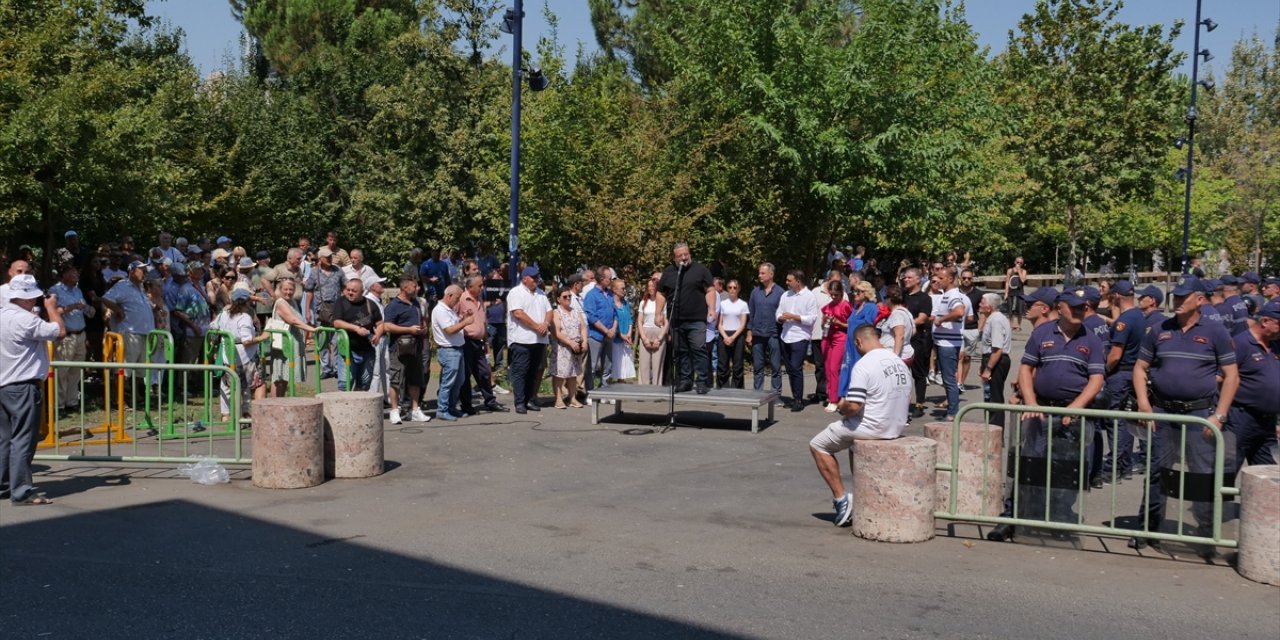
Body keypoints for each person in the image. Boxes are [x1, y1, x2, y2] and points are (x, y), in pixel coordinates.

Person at [1129, 277, 1239, 550]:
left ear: (1199, 300)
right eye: (1174, 297)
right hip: (1163, 414)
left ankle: (1205, 533)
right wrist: (1144, 403)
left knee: (1202, 475)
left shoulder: (1216, 332)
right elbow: (1140, 368)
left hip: (1199, 416)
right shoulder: (1158, 330)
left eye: (1182, 297)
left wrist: (1220, 415)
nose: (1176, 301)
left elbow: (1232, 376)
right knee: (1157, 472)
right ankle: (1148, 528)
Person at [987, 289, 1104, 542]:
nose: (1079, 312)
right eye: (1073, 307)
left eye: (1082, 307)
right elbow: (1027, 368)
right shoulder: (1042, 333)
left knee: (1068, 469)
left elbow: (1096, 379)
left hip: (1073, 415)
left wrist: (1076, 407)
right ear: (1060, 307)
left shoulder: (1092, 340)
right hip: (1040, 411)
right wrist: (1030, 403)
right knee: (1029, 464)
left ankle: (1059, 517)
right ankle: (1013, 515)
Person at [808, 325, 913, 527]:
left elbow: (854, 406)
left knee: (818, 445)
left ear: (858, 342)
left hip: (872, 426)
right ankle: (865, 496)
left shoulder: (864, 365)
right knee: (852, 444)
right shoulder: (897, 361)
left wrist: (841, 405)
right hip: (896, 424)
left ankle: (841, 499)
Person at [0, 275, 65, 505]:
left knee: (5, 438)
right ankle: (22, 491)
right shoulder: (25, 320)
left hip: (4, 384)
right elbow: (59, 331)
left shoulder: (3, 315)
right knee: (23, 440)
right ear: (28, 298)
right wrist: (51, 307)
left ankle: (4, 484)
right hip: (23, 385)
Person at [1089, 280, 1144, 488]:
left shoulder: (1124, 321)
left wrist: (1104, 371)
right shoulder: (1138, 315)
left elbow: (1115, 355)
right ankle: (1125, 465)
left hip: (1120, 374)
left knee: (1116, 422)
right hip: (1132, 373)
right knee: (1125, 419)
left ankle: (1115, 466)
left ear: (1117, 296)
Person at [655, 243, 716, 394]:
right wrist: (658, 313)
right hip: (676, 320)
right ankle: (685, 380)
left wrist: (712, 308)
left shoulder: (700, 270)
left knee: (698, 349)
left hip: (696, 319)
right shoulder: (669, 272)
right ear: (674, 258)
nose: (684, 257)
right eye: (680, 255)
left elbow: (710, 289)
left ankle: (701, 381)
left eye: (686, 254)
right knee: (680, 351)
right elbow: (661, 293)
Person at [1227, 301, 1279, 470]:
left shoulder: (1275, 345)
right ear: (1265, 321)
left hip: (1267, 423)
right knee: (1227, 470)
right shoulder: (1240, 344)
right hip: (1241, 419)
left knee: (1269, 475)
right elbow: (1222, 379)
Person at [100, 260, 156, 403]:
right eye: (142, 270)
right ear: (132, 271)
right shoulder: (123, 285)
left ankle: (135, 397)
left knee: (139, 370)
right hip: (130, 332)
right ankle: (118, 399)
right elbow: (105, 299)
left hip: (143, 333)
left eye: (145, 270)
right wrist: (118, 310)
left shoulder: (140, 288)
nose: (145, 273)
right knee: (124, 369)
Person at [210, 289, 266, 422]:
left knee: (227, 385)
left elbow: (213, 326)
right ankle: (244, 414)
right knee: (246, 386)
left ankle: (226, 415)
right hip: (244, 356)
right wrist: (262, 337)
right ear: (247, 302)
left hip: (227, 355)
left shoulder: (224, 314)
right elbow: (246, 340)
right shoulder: (244, 317)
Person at [383, 274, 432, 424]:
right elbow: (386, 326)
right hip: (399, 348)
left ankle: (415, 409)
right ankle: (394, 410)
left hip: (416, 348)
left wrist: (423, 331)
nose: (417, 288)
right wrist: (408, 329)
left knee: (415, 379)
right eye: (414, 285)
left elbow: (423, 321)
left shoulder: (416, 303)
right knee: (396, 379)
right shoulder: (394, 305)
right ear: (404, 287)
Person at [507, 266, 552, 414]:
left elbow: (549, 311)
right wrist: (536, 327)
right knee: (521, 372)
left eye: (537, 277)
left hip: (539, 340)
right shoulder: (516, 293)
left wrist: (545, 324)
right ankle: (520, 402)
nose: (536, 280)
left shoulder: (540, 293)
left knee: (534, 372)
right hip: (522, 340)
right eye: (533, 278)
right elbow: (518, 314)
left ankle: (530, 399)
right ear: (525, 278)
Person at [457, 275, 505, 414]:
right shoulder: (461, 299)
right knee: (466, 375)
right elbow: (455, 318)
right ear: (470, 287)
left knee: (484, 373)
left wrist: (485, 342)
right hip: (466, 342)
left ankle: (490, 401)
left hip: (479, 342)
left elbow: (483, 322)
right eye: (479, 286)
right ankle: (466, 405)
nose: (482, 288)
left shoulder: (479, 299)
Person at [49, 264, 94, 411]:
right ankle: (59, 404)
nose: (76, 275)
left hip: (80, 334)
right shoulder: (55, 290)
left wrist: (89, 309)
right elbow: (53, 311)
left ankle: (72, 402)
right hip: (65, 337)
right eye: (73, 272)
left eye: (77, 272)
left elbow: (84, 309)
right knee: (62, 371)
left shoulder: (78, 290)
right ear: (64, 275)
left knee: (76, 370)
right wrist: (73, 306)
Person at [931, 266, 971, 420]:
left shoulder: (953, 295)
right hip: (944, 342)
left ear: (950, 279)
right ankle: (951, 410)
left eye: (941, 278)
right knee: (947, 378)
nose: (939, 281)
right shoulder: (946, 295)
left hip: (948, 344)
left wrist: (941, 319)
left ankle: (952, 413)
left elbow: (959, 312)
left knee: (949, 379)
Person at [777, 270, 819, 412]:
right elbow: (778, 312)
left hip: (800, 336)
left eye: (789, 280)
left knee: (796, 367)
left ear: (798, 281)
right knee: (790, 369)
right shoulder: (785, 295)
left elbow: (812, 318)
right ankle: (795, 398)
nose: (787, 283)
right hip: (786, 335)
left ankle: (799, 400)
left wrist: (794, 317)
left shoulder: (809, 296)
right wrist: (781, 317)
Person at [331, 279, 383, 392]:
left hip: (367, 350)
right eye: (348, 290)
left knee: (364, 383)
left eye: (354, 291)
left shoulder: (370, 304)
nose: (350, 293)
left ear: (362, 291)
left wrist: (377, 335)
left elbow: (380, 324)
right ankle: (343, 408)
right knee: (345, 384)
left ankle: (357, 408)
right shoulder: (341, 302)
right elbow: (337, 322)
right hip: (347, 350)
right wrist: (356, 328)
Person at [266, 278, 314, 397]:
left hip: (292, 343)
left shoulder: (292, 302)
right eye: (285, 289)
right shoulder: (281, 302)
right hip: (284, 344)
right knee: (279, 376)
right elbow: (292, 320)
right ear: (280, 290)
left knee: (285, 377)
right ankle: (275, 405)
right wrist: (310, 329)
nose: (288, 292)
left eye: (291, 289)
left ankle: (280, 404)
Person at [305, 247, 348, 381]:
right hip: (320, 309)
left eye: (331, 257)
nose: (330, 260)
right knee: (322, 339)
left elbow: (345, 287)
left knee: (336, 339)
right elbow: (309, 291)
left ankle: (336, 367)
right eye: (327, 257)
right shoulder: (314, 272)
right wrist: (307, 310)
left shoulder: (338, 270)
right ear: (321, 259)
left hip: (337, 308)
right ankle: (325, 368)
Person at [431, 285, 472, 421]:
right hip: (449, 350)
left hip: (457, 349)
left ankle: (451, 407)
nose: (458, 301)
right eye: (457, 298)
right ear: (449, 296)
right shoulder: (440, 310)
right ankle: (442, 409)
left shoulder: (449, 310)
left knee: (459, 381)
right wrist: (465, 322)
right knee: (448, 382)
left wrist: (462, 319)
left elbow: (453, 325)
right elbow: (449, 330)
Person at [747, 262, 784, 395]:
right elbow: (751, 312)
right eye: (759, 273)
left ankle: (775, 395)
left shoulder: (780, 292)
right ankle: (758, 393)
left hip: (774, 333)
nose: (759, 275)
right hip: (757, 333)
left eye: (762, 273)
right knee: (758, 367)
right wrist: (749, 331)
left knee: (775, 367)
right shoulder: (755, 292)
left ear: (771, 274)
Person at [902, 268, 933, 418]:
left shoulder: (924, 298)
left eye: (909, 277)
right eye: (905, 277)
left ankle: (919, 403)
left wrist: (903, 324)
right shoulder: (902, 297)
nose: (905, 279)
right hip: (901, 340)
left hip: (917, 340)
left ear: (917, 280)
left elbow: (921, 319)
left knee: (918, 373)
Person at [550, 285, 587, 409]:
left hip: (576, 348)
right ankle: (558, 399)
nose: (568, 299)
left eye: (569, 296)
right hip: (562, 347)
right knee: (560, 374)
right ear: (558, 299)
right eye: (565, 297)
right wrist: (570, 342)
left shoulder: (575, 311)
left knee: (573, 373)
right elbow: (557, 332)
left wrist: (584, 341)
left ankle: (572, 398)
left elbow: (582, 327)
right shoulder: (556, 312)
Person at [977, 292, 1011, 427]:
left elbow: (997, 349)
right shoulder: (992, 318)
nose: (980, 305)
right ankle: (990, 429)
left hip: (997, 361)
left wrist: (988, 369)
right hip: (991, 359)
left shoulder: (996, 320)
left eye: (982, 302)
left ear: (989, 307)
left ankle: (995, 430)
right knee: (989, 396)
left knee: (994, 398)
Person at [820, 280, 853, 412]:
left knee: (834, 368)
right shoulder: (827, 306)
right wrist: (824, 321)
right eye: (831, 294)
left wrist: (839, 323)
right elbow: (823, 326)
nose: (833, 297)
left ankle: (835, 399)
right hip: (827, 337)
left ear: (842, 293)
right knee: (828, 369)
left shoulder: (846, 306)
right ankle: (831, 395)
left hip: (840, 337)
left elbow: (852, 325)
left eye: (836, 295)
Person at [583, 267, 617, 392]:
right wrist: (605, 330)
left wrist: (613, 329)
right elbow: (591, 316)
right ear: (602, 279)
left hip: (609, 335)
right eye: (609, 278)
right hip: (596, 336)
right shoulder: (591, 295)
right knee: (592, 366)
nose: (611, 281)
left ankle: (605, 391)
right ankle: (590, 393)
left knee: (608, 366)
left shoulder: (610, 294)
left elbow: (615, 313)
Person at [807, 273, 835, 406]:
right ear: (828, 280)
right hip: (818, 334)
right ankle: (821, 392)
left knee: (832, 365)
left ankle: (832, 393)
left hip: (834, 336)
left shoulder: (842, 293)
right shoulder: (815, 292)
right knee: (819, 365)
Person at [717, 279, 750, 389]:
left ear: (739, 289)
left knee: (737, 365)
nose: (732, 290)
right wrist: (726, 337)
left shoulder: (743, 304)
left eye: (735, 287)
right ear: (727, 289)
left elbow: (743, 323)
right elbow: (719, 323)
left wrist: (733, 337)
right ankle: (723, 388)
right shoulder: (722, 304)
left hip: (737, 335)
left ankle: (737, 389)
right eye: (730, 287)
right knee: (722, 365)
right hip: (724, 335)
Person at [957, 269, 984, 389]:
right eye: (964, 278)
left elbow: (982, 312)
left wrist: (979, 329)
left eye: (969, 278)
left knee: (967, 357)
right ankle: (956, 382)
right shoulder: (954, 292)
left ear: (972, 279)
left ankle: (961, 382)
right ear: (960, 279)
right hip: (956, 328)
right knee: (959, 356)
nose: (966, 280)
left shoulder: (978, 294)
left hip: (972, 328)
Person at [637, 277, 666, 386]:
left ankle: (656, 389)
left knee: (657, 364)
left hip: (659, 333)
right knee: (644, 364)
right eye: (648, 286)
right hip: (646, 333)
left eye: (653, 286)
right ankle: (643, 389)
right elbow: (639, 321)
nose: (650, 288)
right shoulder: (643, 302)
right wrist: (644, 338)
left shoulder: (663, 301)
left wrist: (659, 338)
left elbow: (666, 322)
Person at [611, 278, 636, 382]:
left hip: (626, 338)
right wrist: (620, 334)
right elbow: (612, 321)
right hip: (616, 338)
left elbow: (630, 319)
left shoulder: (625, 303)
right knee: (616, 362)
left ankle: (621, 383)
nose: (624, 290)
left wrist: (629, 333)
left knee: (624, 365)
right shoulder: (611, 303)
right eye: (622, 288)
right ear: (615, 290)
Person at [1004, 257, 1028, 331]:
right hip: (1011, 292)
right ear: (1015, 262)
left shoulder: (1023, 271)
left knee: (1019, 310)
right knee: (1010, 310)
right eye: (1018, 262)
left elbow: (1023, 280)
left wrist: (1019, 271)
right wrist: (1006, 293)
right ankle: (1011, 325)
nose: (1019, 264)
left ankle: (1018, 325)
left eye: (1021, 263)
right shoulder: (1010, 270)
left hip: (1019, 292)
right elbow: (1007, 282)